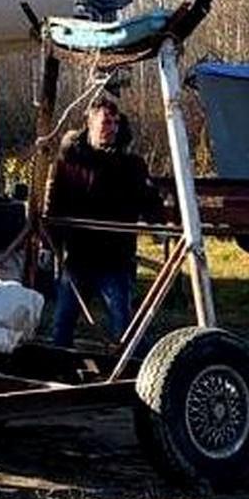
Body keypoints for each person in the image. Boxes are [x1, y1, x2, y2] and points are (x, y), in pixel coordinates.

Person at [45, 93, 162, 347]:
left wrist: (159, 218)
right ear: (90, 123)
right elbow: (56, 203)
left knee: (124, 327)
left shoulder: (131, 165)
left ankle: (133, 376)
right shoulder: (71, 162)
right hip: (78, 258)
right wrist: (51, 242)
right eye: (105, 122)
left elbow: (148, 201)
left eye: (114, 123)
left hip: (115, 259)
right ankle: (57, 373)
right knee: (62, 324)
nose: (110, 128)